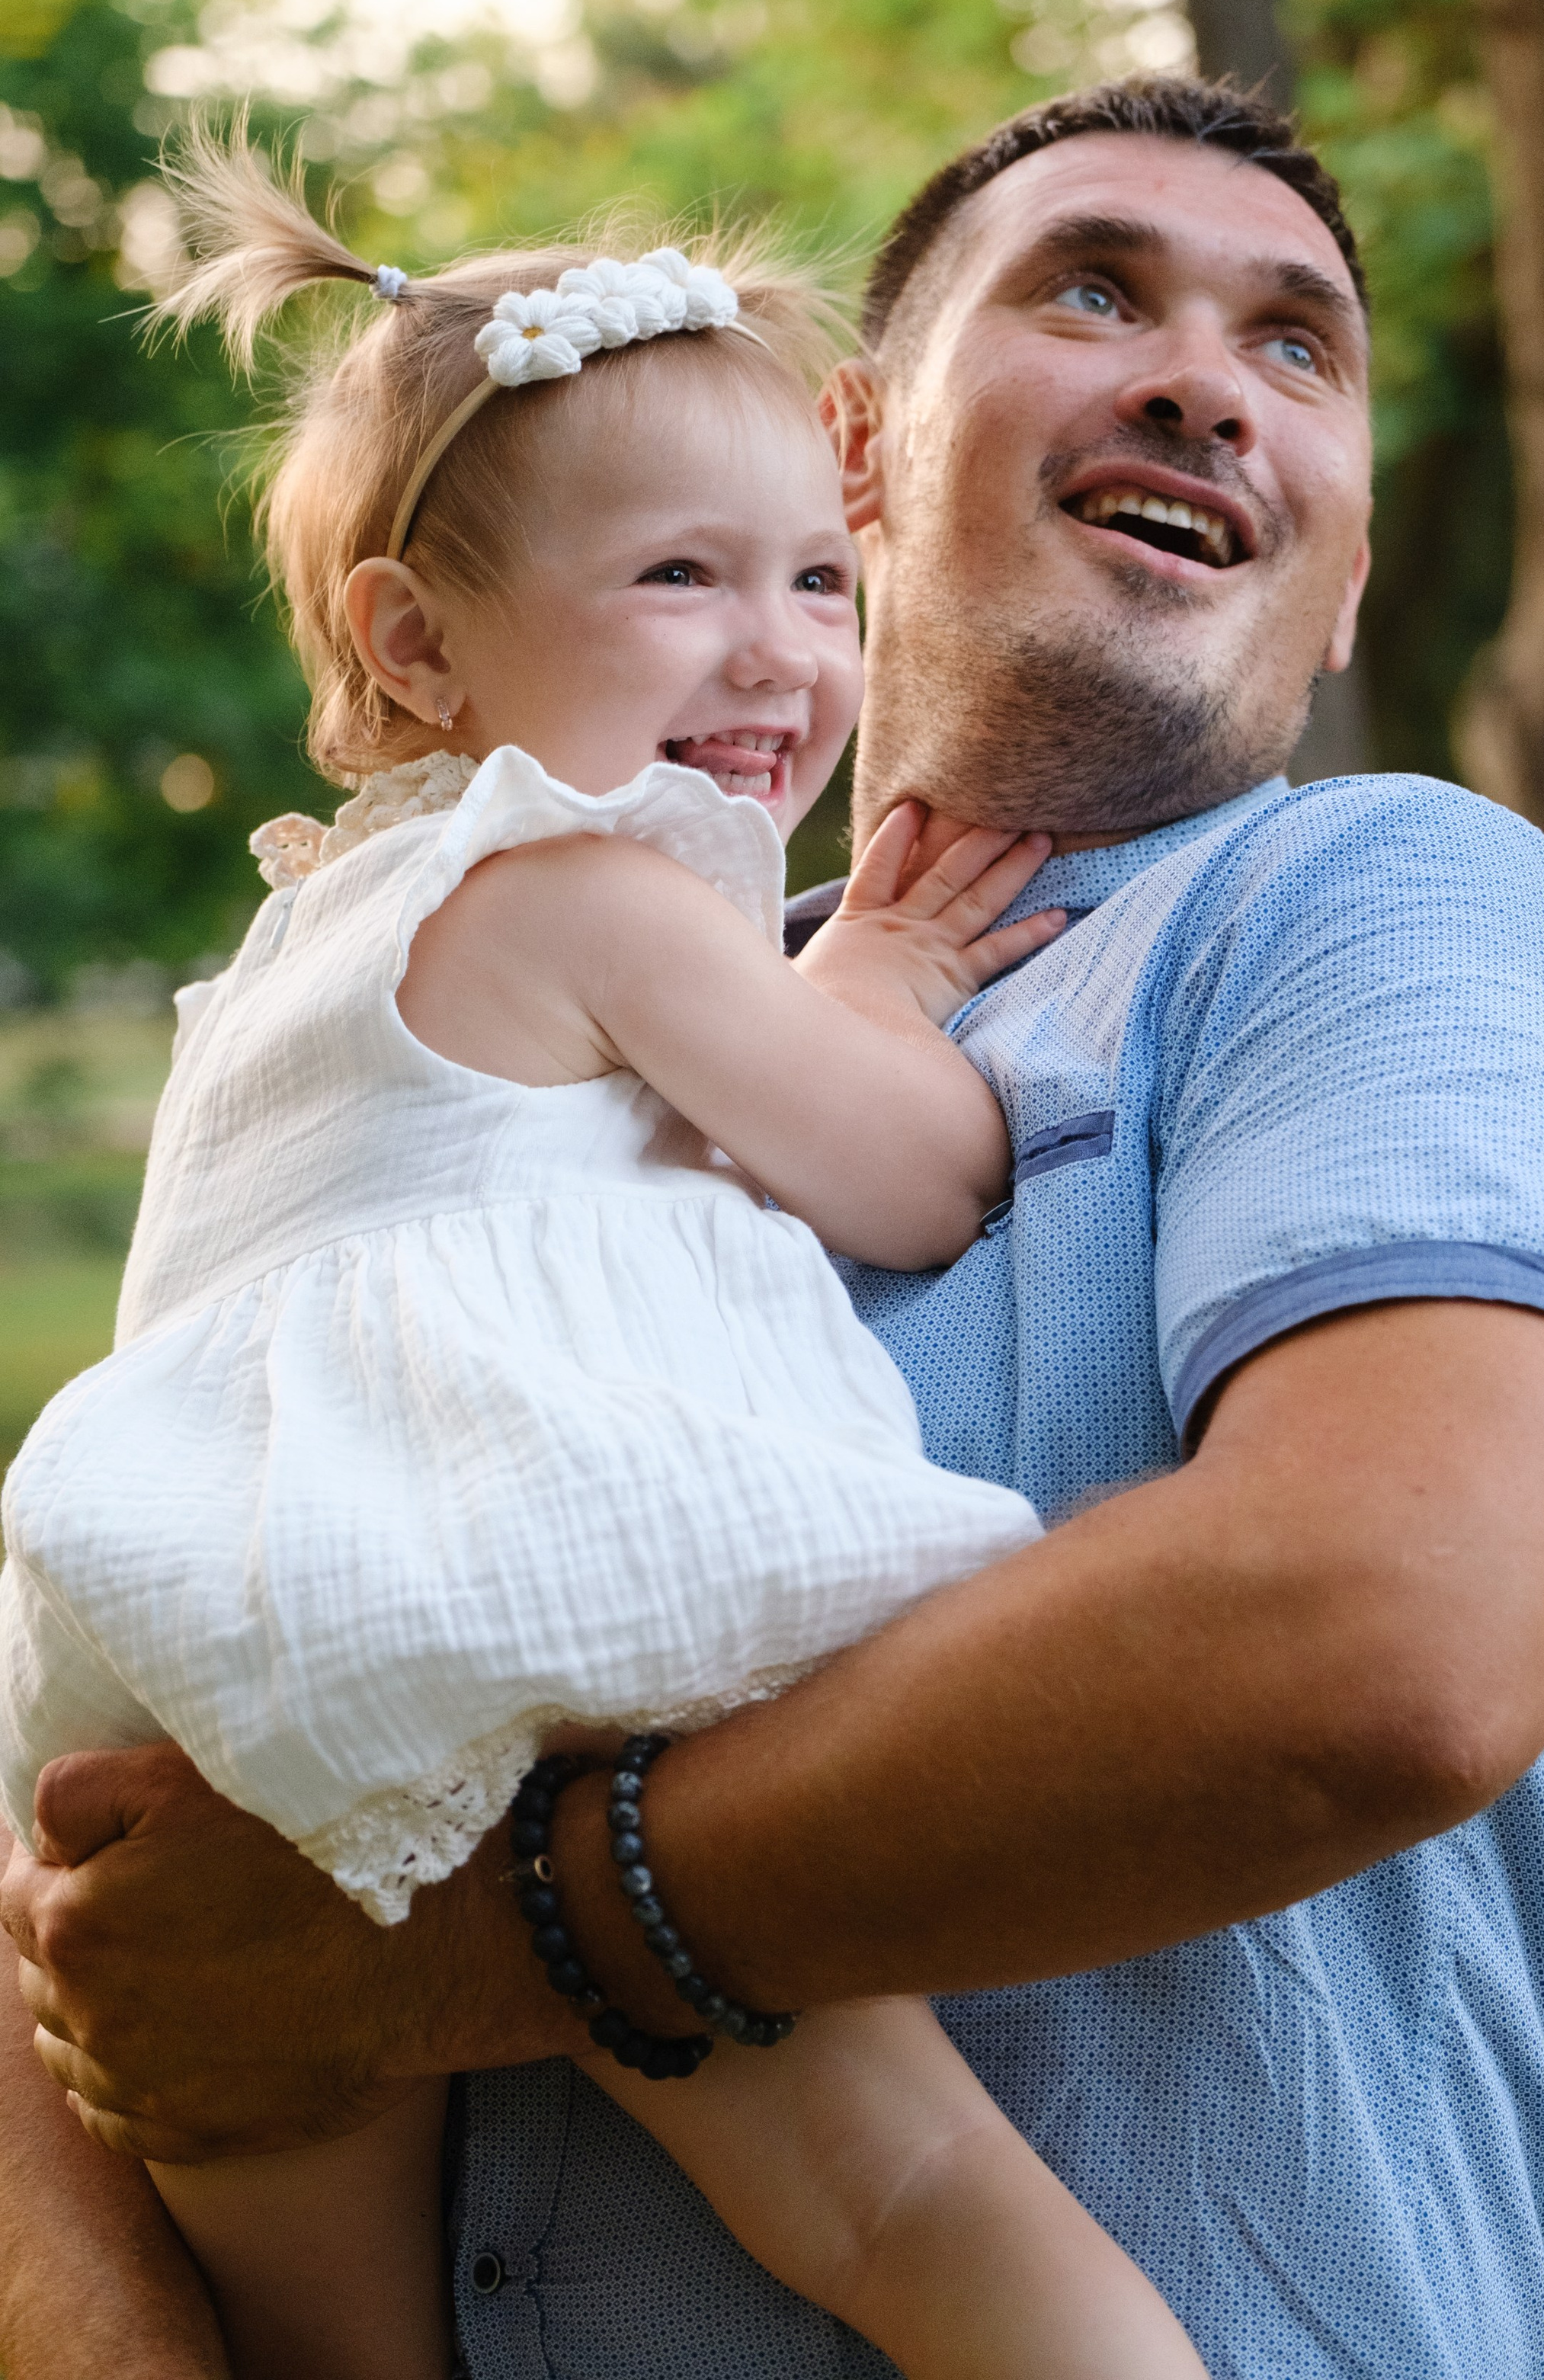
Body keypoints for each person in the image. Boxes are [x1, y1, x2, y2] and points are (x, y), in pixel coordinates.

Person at [2, 76, 1544, 2380]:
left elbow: (1388, 1629)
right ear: (855, 447)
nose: (1203, 378)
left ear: (1339, 581)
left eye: (1299, 348)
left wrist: (449, 1939)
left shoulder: (1375, 910)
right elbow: (82, 1867)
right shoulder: (551, 1014)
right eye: (1097, 286)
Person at [0, 136, 1206, 2380]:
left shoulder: (308, 934)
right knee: (903, 2187)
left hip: (205, 1694)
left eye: (821, 585)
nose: (777, 650)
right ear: (416, 638)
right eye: (678, 576)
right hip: (502, 1605)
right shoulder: (602, 881)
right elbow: (915, 1177)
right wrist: (888, 984)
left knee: (323, 2331)